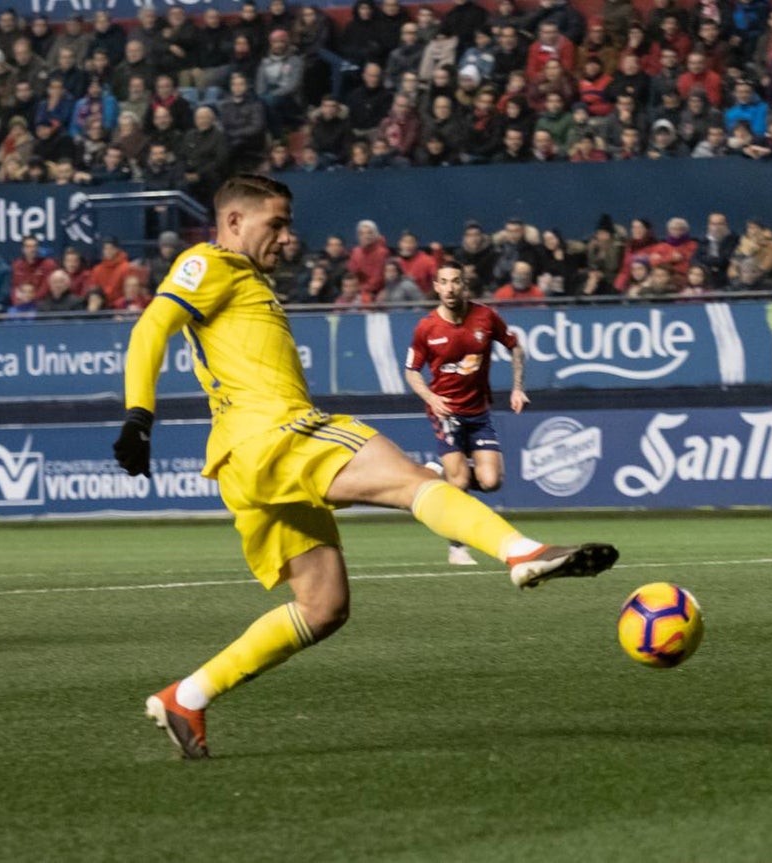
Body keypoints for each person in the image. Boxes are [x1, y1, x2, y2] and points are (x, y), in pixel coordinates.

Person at [114, 174, 618, 759]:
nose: (287, 237)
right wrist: (139, 416)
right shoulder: (210, 262)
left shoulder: (246, 279)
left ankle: (188, 697)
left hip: (247, 460)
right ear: (233, 223)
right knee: (415, 481)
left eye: (288, 224)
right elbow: (152, 325)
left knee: (323, 607)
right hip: (275, 434)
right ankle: (521, 553)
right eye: (274, 224)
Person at [405, 260, 529, 565]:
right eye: (444, 282)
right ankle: (457, 547)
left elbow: (515, 347)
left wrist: (517, 387)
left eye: (455, 281)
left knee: (491, 481)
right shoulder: (426, 327)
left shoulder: (485, 317)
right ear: (436, 287)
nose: (450, 287)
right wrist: (430, 397)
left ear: (464, 285)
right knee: (459, 482)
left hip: (479, 412)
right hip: (446, 412)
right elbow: (411, 371)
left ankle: (439, 475)